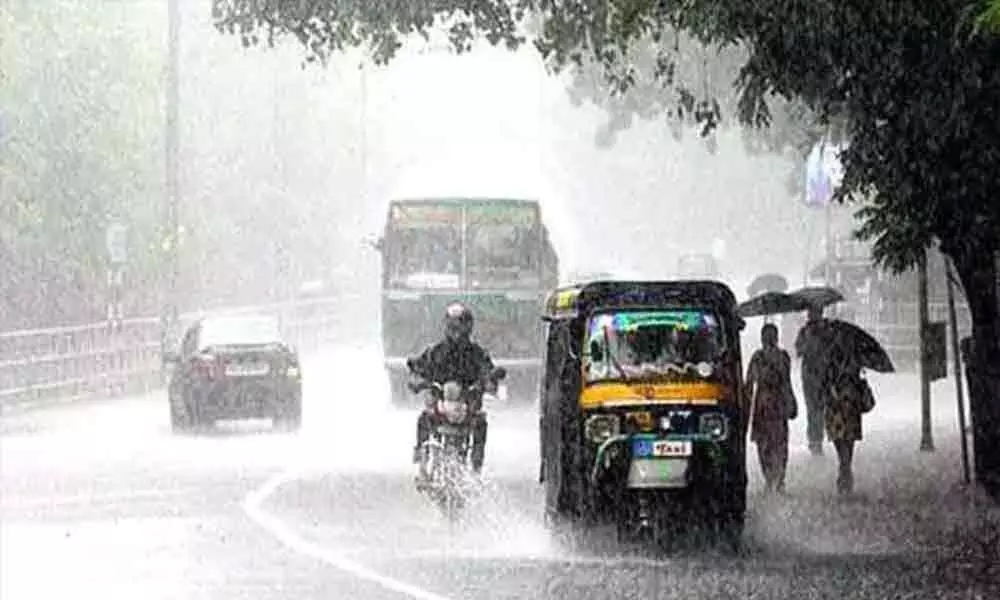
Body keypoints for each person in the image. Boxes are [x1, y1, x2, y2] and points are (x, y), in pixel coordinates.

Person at [408, 302, 496, 484]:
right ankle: (421, 462)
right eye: (453, 326)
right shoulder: (435, 352)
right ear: (446, 327)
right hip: (441, 406)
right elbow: (418, 367)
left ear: (469, 327)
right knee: (424, 419)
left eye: (461, 326)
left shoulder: (477, 354)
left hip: (467, 407)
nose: (457, 332)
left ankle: (476, 468)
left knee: (481, 423)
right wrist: (417, 380)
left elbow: (488, 371)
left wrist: (488, 383)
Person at [746, 323, 798, 494]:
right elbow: (787, 382)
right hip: (778, 405)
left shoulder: (758, 357)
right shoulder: (783, 357)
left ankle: (770, 479)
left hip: (762, 405)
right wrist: (791, 400)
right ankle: (779, 479)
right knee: (779, 444)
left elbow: (749, 383)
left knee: (764, 445)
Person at [823, 354, 875, 495]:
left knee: (840, 442)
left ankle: (844, 471)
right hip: (850, 406)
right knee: (848, 442)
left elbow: (824, 383)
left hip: (836, 408)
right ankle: (845, 471)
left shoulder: (829, 358)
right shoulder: (854, 359)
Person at [795, 306, 829, 456]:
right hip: (812, 374)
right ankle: (814, 440)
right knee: (814, 408)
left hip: (817, 374)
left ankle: (817, 440)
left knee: (818, 408)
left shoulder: (824, 331)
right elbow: (799, 350)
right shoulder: (806, 331)